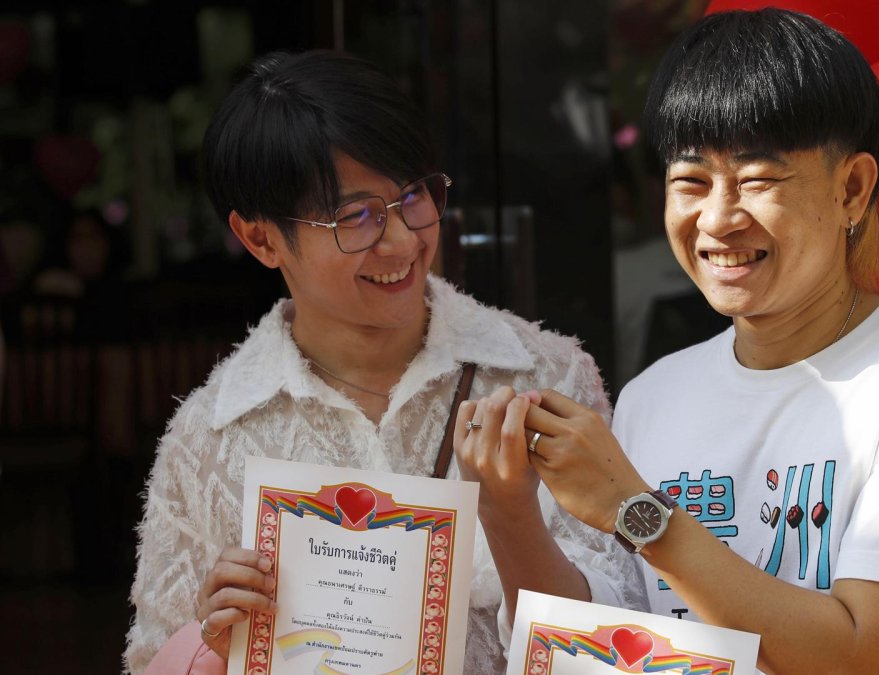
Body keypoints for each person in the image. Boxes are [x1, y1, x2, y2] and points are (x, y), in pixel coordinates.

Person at [473, 9, 879, 675]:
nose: (718, 218)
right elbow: (603, 641)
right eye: (691, 181)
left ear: (852, 188)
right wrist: (506, 510)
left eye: (758, 179)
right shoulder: (656, 393)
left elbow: (868, 657)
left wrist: (632, 506)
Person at [123, 50, 644, 674]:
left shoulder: (545, 376)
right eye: (355, 217)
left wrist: (512, 520)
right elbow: (156, 658)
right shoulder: (210, 437)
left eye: (414, 197)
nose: (402, 241)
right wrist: (212, 640)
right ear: (261, 238)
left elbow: (618, 648)